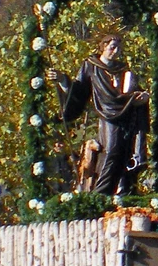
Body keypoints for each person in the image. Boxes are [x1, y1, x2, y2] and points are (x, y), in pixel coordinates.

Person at [49, 33, 151, 195]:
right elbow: (78, 90)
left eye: (119, 48)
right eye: (112, 47)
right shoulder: (91, 66)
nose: (116, 51)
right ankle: (101, 193)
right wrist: (62, 79)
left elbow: (132, 89)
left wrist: (141, 97)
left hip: (126, 116)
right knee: (110, 151)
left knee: (124, 154)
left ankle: (121, 190)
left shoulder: (122, 69)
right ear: (103, 47)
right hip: (107, 115)